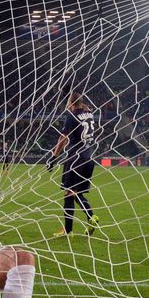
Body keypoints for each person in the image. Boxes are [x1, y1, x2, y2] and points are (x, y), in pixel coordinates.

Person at [47, 92, 100, 236]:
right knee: (76, 193)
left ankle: (70, 229)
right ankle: (91, 218)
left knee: (68, 194)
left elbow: (63, 138)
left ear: (70, 103)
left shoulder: (71, 116)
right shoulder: (89, 113)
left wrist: (54, 157)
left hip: (75, 158)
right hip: (89, 157)